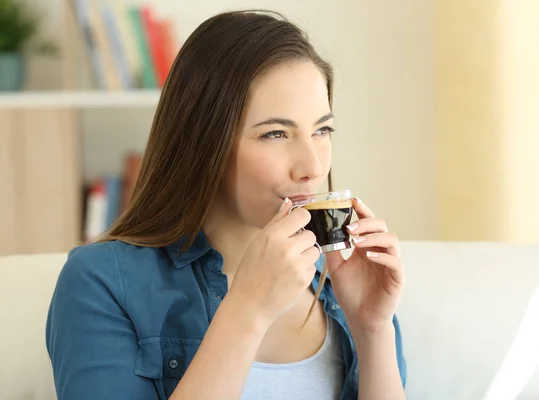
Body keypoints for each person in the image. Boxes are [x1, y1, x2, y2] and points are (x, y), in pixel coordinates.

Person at [46, 9, 407, 400]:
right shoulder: (100, 283)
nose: (313, 167)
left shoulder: (344, 286)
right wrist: (247, 309)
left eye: (322, 130)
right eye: (275, 133)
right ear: (204, 144)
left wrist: (373, 330)